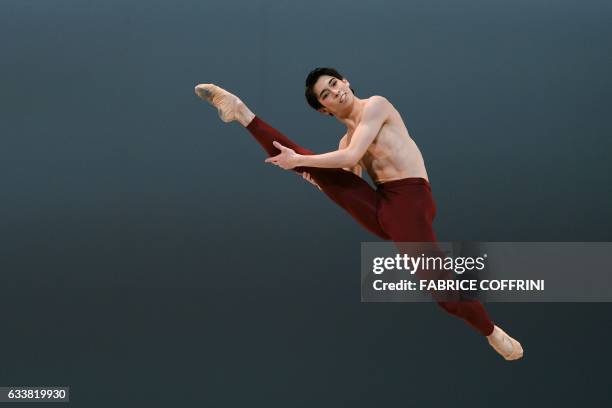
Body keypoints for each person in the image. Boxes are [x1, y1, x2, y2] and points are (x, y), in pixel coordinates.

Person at [194, 67, 523, 360]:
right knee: (312, 168)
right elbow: (344, 180)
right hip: (384, 209)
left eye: (335, 83)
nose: (336, 91)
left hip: (410, 201)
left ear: (346, 81)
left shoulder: (376, 105)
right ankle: (241, 112)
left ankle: (492, 332)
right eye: (327, 94)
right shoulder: (344, 139)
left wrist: (302, 163)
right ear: (325, 109)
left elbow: (351, 155)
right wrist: (309, 173)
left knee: (443, 292)